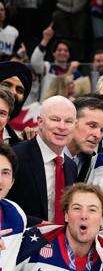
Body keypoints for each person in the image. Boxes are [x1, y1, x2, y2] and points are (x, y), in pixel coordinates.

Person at [8, 96, 77, 225]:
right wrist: (41, 225)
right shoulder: (15, 157)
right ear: (40, 122)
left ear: (75, 125)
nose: (62, 127)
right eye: (55, 119)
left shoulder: (71, 166)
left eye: (68, 121)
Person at [63, 96, 103, 183]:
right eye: (92, 126)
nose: (98, 135)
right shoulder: (43, 150)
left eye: (102, 130)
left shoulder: (93, 162)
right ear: (72, 122)